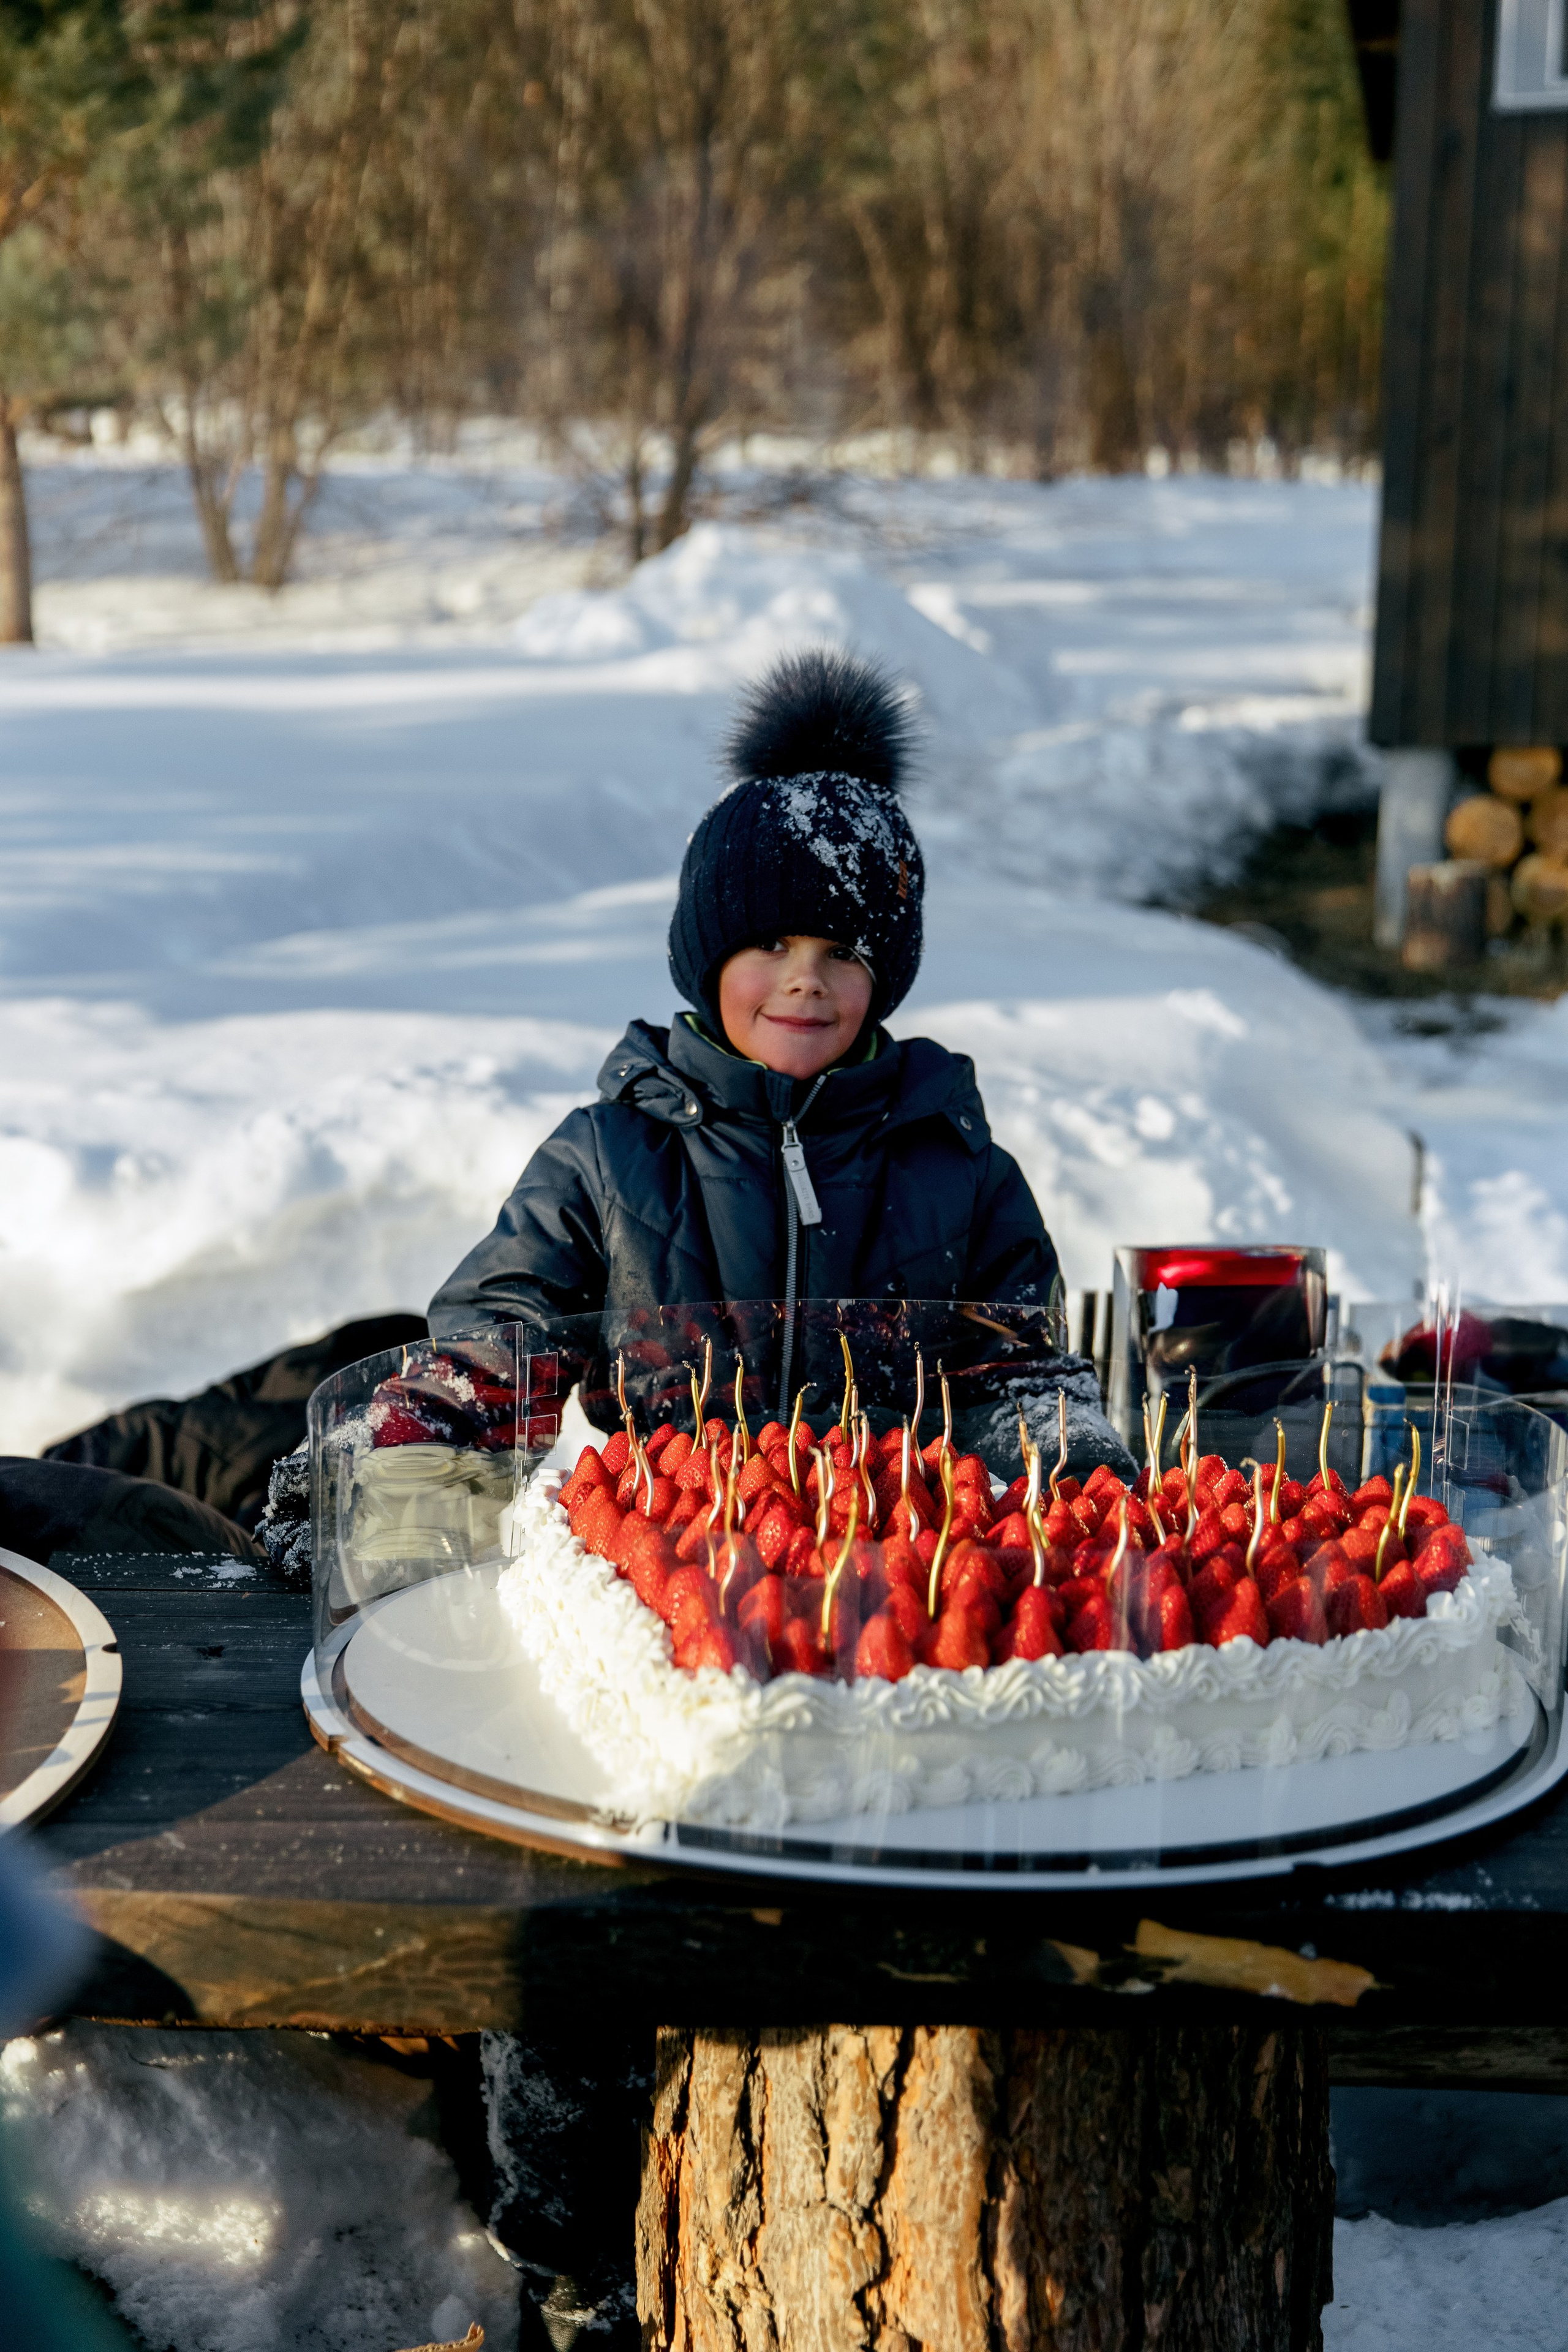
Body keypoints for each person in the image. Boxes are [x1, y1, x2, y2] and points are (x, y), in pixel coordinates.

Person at [428, 647, 1061, 1340]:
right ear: (708, 962)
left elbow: (1022, 1364)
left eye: (843, 954)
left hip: (887, 1423)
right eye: (772, 945)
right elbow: (499, 1328)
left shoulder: (958, 1170)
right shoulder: (609, 1158)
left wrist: (1038, 1404)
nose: (806, 980)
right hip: (680, 1421)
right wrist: (456, 1396)